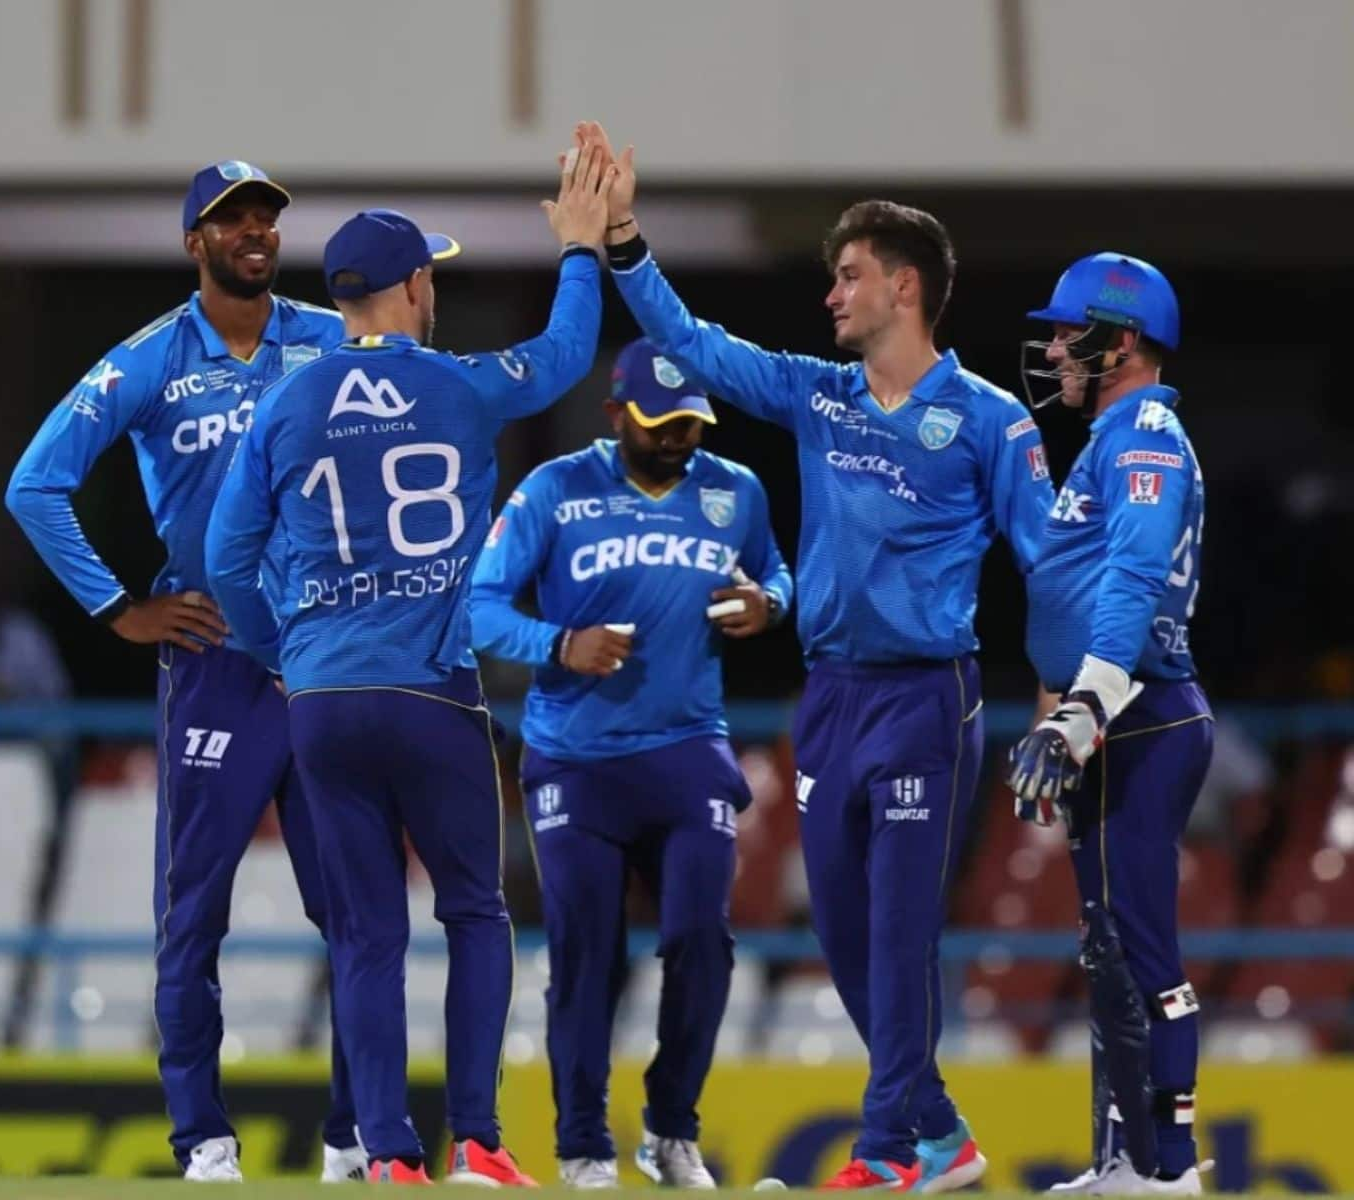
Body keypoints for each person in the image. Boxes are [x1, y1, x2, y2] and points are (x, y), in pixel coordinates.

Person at [575, 120, 1055, 1190]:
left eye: (848, 277)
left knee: (897, 934)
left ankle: (886, 1152)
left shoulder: (989, 420)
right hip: (831, 695)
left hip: (930, 695)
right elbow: (695, 348)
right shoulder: (819, 394)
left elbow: (1050, 559)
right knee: (837, 936)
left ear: (904, 287)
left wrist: (1086, 680)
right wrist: (623, 247)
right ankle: (944, 1136)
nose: (831, 296)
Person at [204, 147, 613, 1185]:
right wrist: (577, 251)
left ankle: (387, 1152)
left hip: (327, 698)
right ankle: (475, 1139)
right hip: (434, 693)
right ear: (415, 287)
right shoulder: (461, 386)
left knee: (365, 933)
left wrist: (282, 652)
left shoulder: (285, 406)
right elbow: (566, 355)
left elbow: (223, 560)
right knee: (474, 910)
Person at [5, 161, 361, 1182]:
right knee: (196, 906)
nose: (254, 232)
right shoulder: (153, 358)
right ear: (193, 242)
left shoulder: (331, 341)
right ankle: (203, 1137)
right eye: (230, 220)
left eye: (265, 219)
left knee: (353, 911)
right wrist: (119, 609)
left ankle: (354, 1133)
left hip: (329, 654)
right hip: (215, 667)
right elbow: (37, 486)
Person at [468, 338, 791, 1190]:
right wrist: (559, 643)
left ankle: (672, 1129)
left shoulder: (735, 491)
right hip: (576, 760)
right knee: (584, 951)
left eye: (690, 422)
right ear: (617, 415)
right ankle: (581, 1144)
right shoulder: (555, 491)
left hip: (688, 750)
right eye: (660, 423)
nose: (679, 438)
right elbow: (479, 607)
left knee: (702, 941)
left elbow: (778, 576)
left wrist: (770, 604)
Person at [1008, 253, 1212, 1196]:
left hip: (1138, 717)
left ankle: (1166, 1171)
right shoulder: (1118, 434)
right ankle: (1123, 1161)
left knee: (1139, 949)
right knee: (1108, 947)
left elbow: (1130, 579)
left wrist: (1080, 710)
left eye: (1067, 331)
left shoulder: (1146, 436)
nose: (1053, 348)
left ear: (1119, 341)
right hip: (1119, 719)